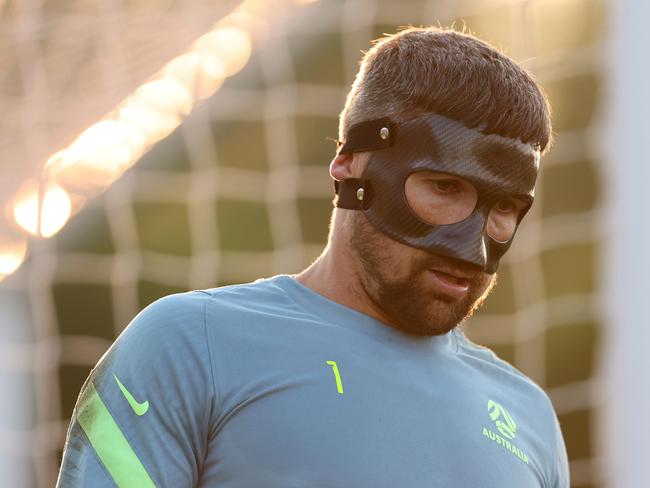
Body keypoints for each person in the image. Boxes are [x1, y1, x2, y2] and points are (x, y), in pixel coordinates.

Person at [57, 27, 569, 487]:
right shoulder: (191, 347)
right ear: (349, 167)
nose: (472, 247)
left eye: (504, 206)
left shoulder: (529, 417)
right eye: (443, 186)